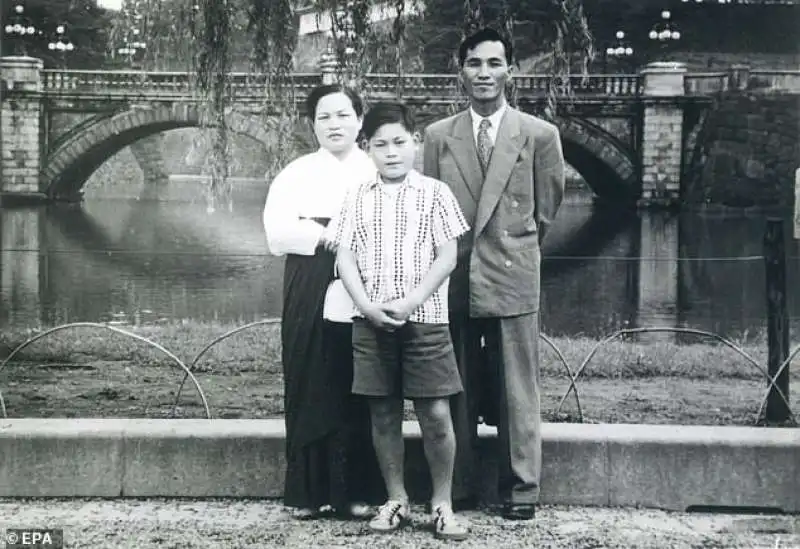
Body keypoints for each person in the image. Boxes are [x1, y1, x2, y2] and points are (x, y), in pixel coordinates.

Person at [422, 28, 566, 520]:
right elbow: (431, 212)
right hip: (454, 274)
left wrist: (514, 248)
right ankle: (457, 484)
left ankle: (521, 489)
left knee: (517, 388)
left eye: (494, 63)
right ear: (459, 70)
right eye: (475, 64)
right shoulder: (438, 137)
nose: (484, 74)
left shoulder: (539, 135)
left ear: (512, 70)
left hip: (512, 273)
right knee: (452, 381)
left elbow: (546, 211)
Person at [326, 102, 471, 541]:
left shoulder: (435, 193)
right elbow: (344, 256)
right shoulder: (356, 195)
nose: (392, 153)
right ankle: (396, 500)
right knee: (384, 413)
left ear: (416, 143)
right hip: (370, 321)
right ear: (366, 147)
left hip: (424, 319)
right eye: (381, 145)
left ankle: (442, 504)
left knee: (435, 413)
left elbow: (448, 256)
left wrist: (412, 301)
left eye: (400, 143)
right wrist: (366, 306)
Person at [262, 84, 383, 520]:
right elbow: (277, 235)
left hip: (365, 285)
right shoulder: (296, 173)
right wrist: (325, 234)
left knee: (359, 386)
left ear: (359, 120)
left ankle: (356, 492)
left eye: (344, 115)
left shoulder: (375, 169)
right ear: (312, 124)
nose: (335, 125)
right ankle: (308, 493)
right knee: (309, 379)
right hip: (309, 284)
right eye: (325, 117)